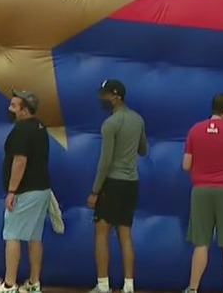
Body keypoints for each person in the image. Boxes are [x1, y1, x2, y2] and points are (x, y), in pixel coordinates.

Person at [0, 90, 53, 293]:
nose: (10, 108)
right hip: (42, 190)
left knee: (12, 234)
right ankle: (33, 283)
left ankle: (9, 285)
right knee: (34, 237)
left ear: (24, 110)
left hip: (26, 192)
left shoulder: (22, 130)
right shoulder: (40, 127)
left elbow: (20, 161)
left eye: (14, 105)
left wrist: (12, 191)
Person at [182, 93, 223, 293]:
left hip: (201, 190)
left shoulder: (195, 130)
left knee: (201, 243)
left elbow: (186, 165)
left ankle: (193, 289)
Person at [87, 79, 149, 293]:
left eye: (105, 94)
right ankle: (129, 285)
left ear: (116, 96)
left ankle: (103, 285)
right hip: (131, 183)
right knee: (125, 234)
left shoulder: (111, 124)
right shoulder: (138, 119)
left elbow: (105, 161)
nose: (102, 98)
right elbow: (143, 150)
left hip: (112, 184)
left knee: (102, 234)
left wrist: (95, 191)